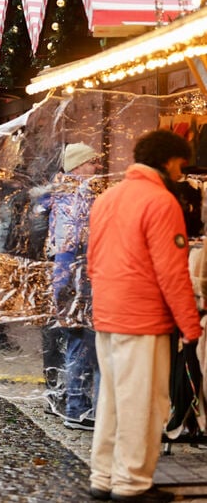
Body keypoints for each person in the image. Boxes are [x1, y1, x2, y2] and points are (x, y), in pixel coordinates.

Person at [86, 130, 203, 502]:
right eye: (181, 166)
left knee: (113, 400)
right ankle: (132, 484)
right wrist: (190, 325)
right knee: (143, 403)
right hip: (143, 318)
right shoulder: (160, 201)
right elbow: (173, 272)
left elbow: (92, 262)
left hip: (108, 313)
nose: (181, 173)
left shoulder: (107, 198)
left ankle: (104, 476)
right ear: (169, 161)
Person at [44, 142, 102, 430]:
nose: (97, 167)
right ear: (78, 166)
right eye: (92, 162)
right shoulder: (75, 196)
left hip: (69, 279)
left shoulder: (63, 193)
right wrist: (68, 285)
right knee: (82, 346)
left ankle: (75, 406)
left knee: (77, 345)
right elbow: (71, 243)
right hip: (76, 281)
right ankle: (78, 411)